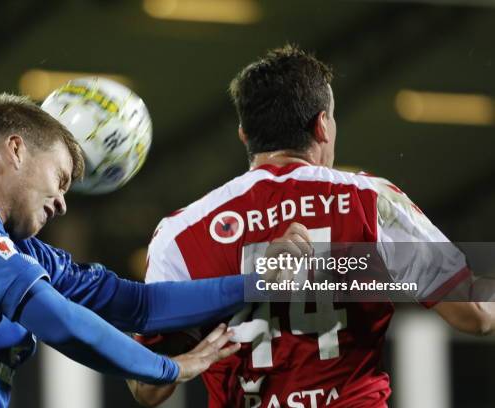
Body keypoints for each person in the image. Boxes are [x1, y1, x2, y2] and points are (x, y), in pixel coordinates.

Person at [126, 44, 495, 408]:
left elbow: (148, 389)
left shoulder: (182, 232)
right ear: (322, 126)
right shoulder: (371, 201)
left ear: (244, 134)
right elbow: (474, 315)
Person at [0, 94, 306, 408]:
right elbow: (55, 318)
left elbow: (139, 304)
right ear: (16, 150)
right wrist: (168, 368)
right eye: (61, 178)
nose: (63, 201)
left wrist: (256, 282)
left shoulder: (26, 251)